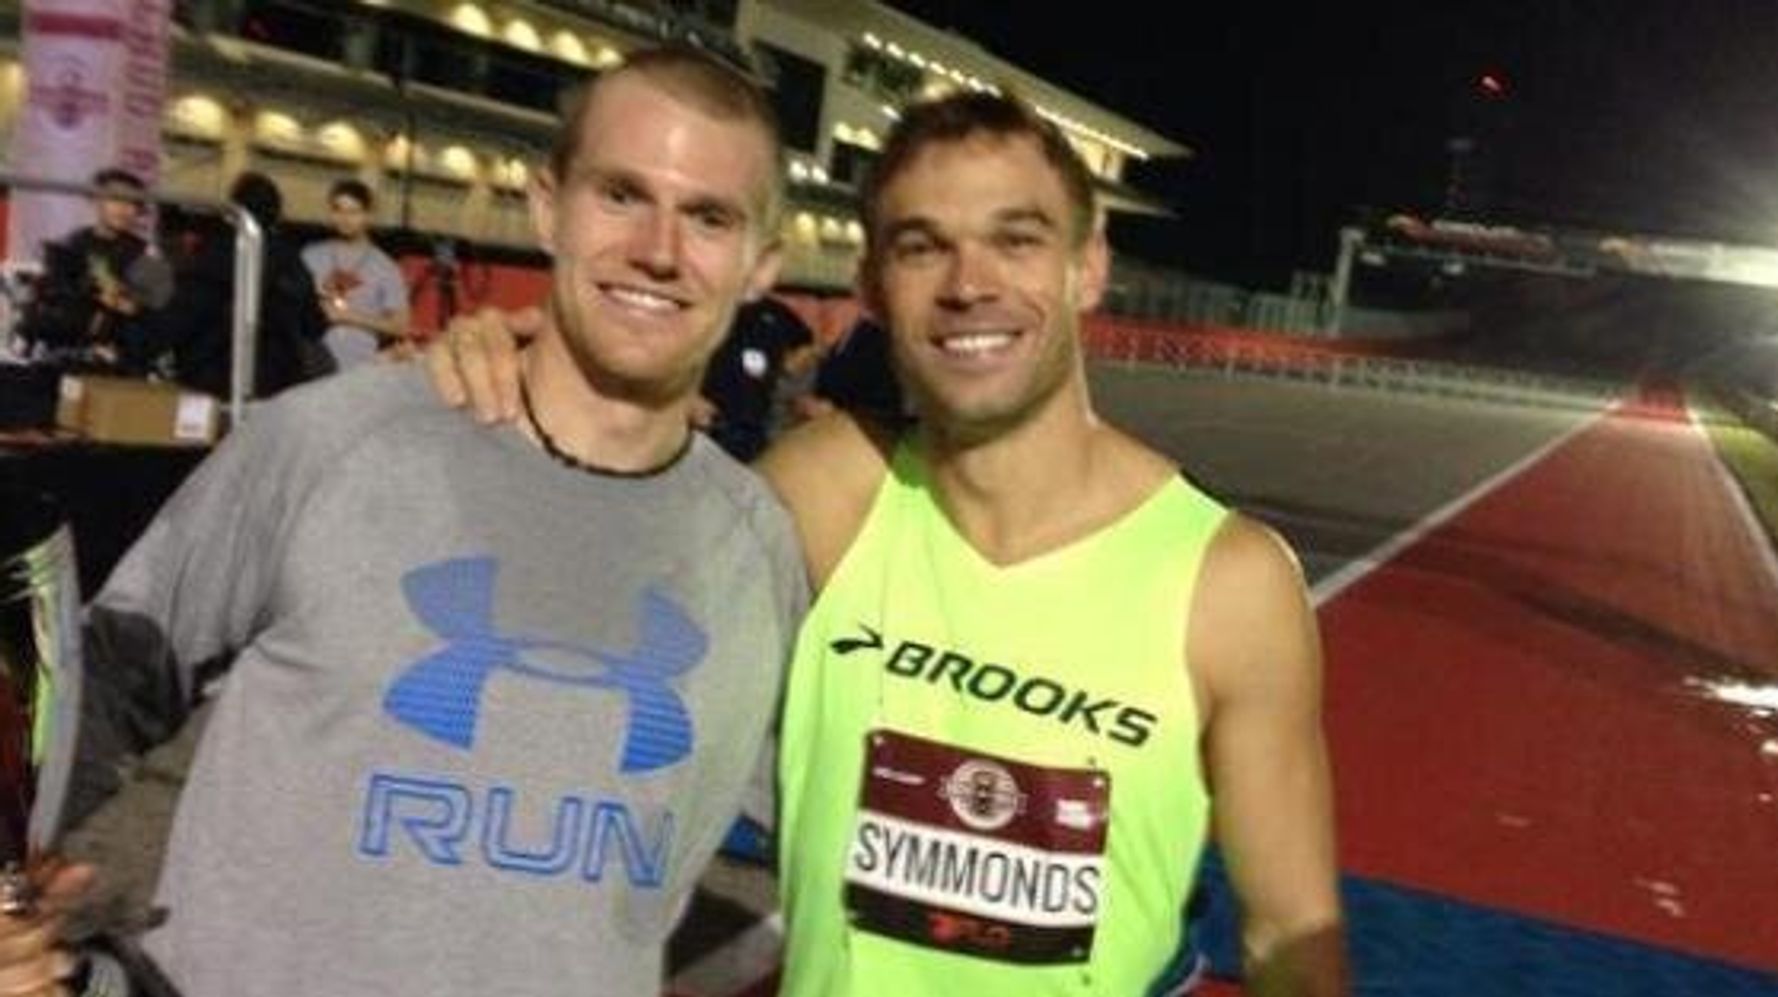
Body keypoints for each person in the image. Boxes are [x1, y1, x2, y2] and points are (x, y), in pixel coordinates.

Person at [423, 92, 1349, 995]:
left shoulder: (1228, 584)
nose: (969, 282)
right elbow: (588, 557)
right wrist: (512, 370)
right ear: (871, 287)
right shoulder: (827, 492)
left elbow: (1288, 939)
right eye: (922, 247)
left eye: (1015, 239)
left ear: (1087, 267)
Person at [0, 46, 804, 997]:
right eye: (621, 194)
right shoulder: (336, 442)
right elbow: (103, 686)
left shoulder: (756, 546)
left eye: (709, 216)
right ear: (548, 205)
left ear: (763, 263)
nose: (660, 249)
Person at [156, 172, 332, 399]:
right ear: (276, 213)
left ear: (233, 211)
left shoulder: (213, 254)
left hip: (210, 375)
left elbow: (182, 315)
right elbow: (314, 324)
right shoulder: (289, 259)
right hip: (277, 379)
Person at [17, 168, 171, 371]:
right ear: (95, 200)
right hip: (61, 353)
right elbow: (50, 302)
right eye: (115, 199)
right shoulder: (69, 246)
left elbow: (157, 319)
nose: (123, 209)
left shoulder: (148, 257)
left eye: (132, 203)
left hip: (119, 362)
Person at [301, 179, 411, 370]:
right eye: (338, 210)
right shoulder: (310, 255)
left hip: (359, 368)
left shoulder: (385, 266)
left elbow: (401, 325)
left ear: (368, 215)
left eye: (354, 212)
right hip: (311, 364)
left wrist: (348, 316)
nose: (345, 218)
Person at [693, 294, 817, 461]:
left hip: (756, 425)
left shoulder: (775, 311)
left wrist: (792, 364)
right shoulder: (706, 305)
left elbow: (808, 343)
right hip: (707, 421)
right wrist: (688, 401)